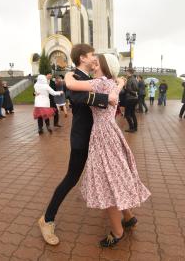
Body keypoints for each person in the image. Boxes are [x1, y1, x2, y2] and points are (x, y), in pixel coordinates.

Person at [64, 54, 151, 247]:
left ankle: (117, 231)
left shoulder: (100, 83)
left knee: (106, 180)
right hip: (111, 132)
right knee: (115, 175)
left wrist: (69, 75)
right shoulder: (111, 83)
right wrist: (120, 82)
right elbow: (117, 86)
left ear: (105, 66)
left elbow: (71, 85)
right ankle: (128, 217)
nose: (94, 65)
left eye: (97, 62)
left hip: (103, 135)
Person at [38, 44, 118, 246]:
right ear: (83, 57)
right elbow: (76, 96)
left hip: (97, 138)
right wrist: (107, 97)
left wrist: (117, 84)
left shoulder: (82, 77)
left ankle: (123, 216)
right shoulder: (74, 77)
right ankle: (47, 219)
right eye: (92, 55)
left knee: (110, 174)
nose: (94, 59)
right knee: (71, 178)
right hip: (83, 138)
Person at [124, 68, 139, 132]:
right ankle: (135, 127)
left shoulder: (129, 79)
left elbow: (128, 89)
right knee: (133, 113)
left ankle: (131, 128)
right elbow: (137, 88)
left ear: (129, 72)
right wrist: (135, 93)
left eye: (126, 72)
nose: (126, 73)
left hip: (130, 98)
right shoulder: (135, 79)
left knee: (127, 114)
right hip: (135, 99)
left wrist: (124, 87)